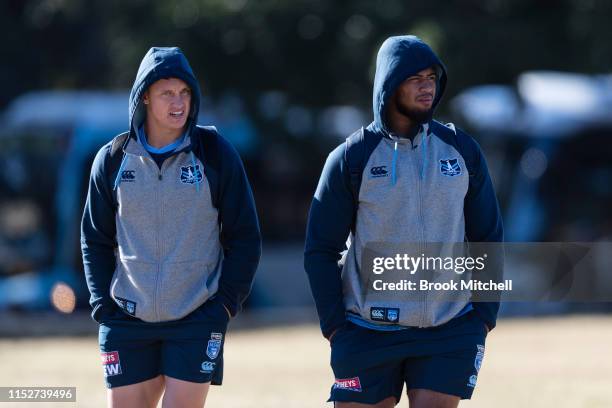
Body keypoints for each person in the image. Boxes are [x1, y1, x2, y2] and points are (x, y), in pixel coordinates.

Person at [304, 36, 503, 407]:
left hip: (450, 327)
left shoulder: (461, 150)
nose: (427, 86)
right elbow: (320, 249)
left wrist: (483, 317)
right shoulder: (351, 158)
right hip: (366, 329)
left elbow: (487, 236)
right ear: (389, 83)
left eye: (431, 76)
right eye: (415, 78)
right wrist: (335, 327)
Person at [81, 46, 261, 407]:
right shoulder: (113, 159)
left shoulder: (215, 153)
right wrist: (103, 304)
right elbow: (94, 239)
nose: (178, 103)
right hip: (127, 319)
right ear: (145, 96)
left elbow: (244, 238)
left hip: (196, 318)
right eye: (167, 93)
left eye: (185, 92)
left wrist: (223, 305)